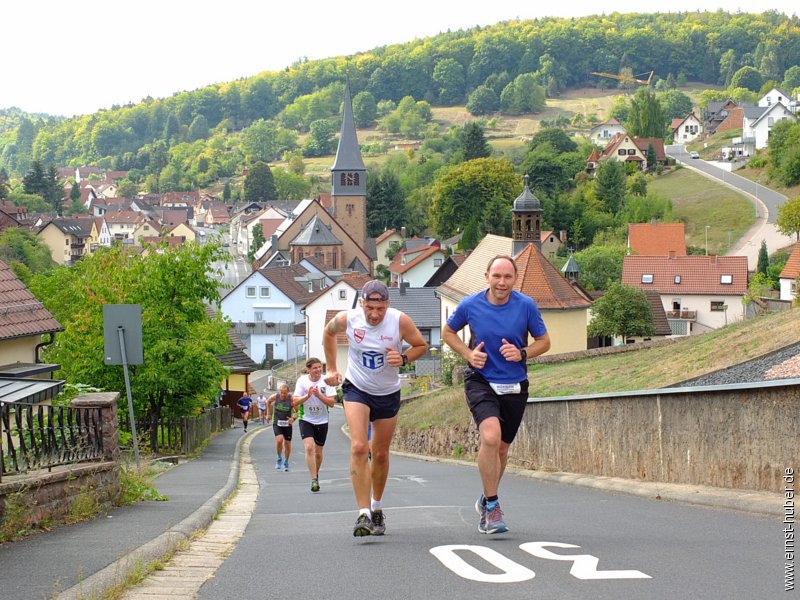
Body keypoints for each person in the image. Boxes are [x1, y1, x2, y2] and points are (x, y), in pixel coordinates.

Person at [442, 255, 550, 535]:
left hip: (515, 384)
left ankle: (486, 498)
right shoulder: (470, 304)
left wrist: (522, 353)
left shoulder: (526, 306)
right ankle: (492, 507)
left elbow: (545, 342)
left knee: (502, 448)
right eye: (497, 276)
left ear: (515, 279)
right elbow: (448, 331)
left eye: (508, 277)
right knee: (490, 437)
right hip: (481, 381)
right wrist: (467, 354)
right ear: (487, 276)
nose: (502, 282)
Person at [323, 279, 428, 537]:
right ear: (362, 304)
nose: (374, 314)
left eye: (380, 309)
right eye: (370, 307)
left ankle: (377, 506)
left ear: (387, 305)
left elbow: (421, 346)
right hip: (357, 387)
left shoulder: (399, 321)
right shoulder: (348, 319)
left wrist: (403, 358)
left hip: (387, 392)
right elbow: (328, 332)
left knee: (379, 453)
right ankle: (363, 513)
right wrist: (332, 368)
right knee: (359, 446)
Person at [292, 358, 337, 493]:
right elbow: (295, 401)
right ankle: (313, 479)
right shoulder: (302, 381)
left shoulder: (326, 380)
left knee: (318, 453)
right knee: (309, 448)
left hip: (322, 420)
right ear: (308, 370)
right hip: (306, 419)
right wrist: (308, 395)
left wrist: (318, 395)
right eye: (315, 368)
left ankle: (315, 475)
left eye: (319, 367)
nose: (318, 370)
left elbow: (332, 403)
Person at [266, 384, 296, 471]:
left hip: (287, 424)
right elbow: (268, 402)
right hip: (277, 422)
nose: (283, 395)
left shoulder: (292, 399)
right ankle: (279, 458)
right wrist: (268, 414)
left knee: (287, 444)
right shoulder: (275, 397)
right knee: (279, 440)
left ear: (288, 392)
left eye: (285, 393)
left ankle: (286, 462)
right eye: (282, 393)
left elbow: (297, 412)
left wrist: (293, 418)